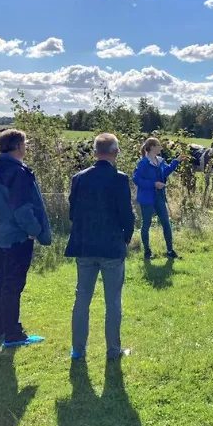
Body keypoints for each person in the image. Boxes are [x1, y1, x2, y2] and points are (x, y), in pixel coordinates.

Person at [66, 134, 136, 361]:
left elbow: (73, 212)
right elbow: (127, 214)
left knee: (82, 298)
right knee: (113, 300)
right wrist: (126, 236)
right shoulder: (120, 179)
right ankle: (113, 350)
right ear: (116, 153)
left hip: (85, 244)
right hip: (111, 245)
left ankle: (78, 349)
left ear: (95, 152)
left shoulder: (79, 178)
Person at [0, 129, 52, 348]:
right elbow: (22, 208)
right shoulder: (17, 173)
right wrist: (34, 230)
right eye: (25, 144)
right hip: (15, 236)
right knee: (12, 284)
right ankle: (13, 334)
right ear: (18, 147)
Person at [133, 138, 188, 260]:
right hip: (147, 198)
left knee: (166, 224)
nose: (161, 148)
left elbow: (166, 172)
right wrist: (153, 184)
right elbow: (136, 179)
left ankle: (170, 250)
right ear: (152, 147)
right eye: (158, 145)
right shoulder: (143, 163)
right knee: (146, 224)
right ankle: (147, 252)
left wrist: (176, 161)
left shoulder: (160, 161)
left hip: (159, 197)